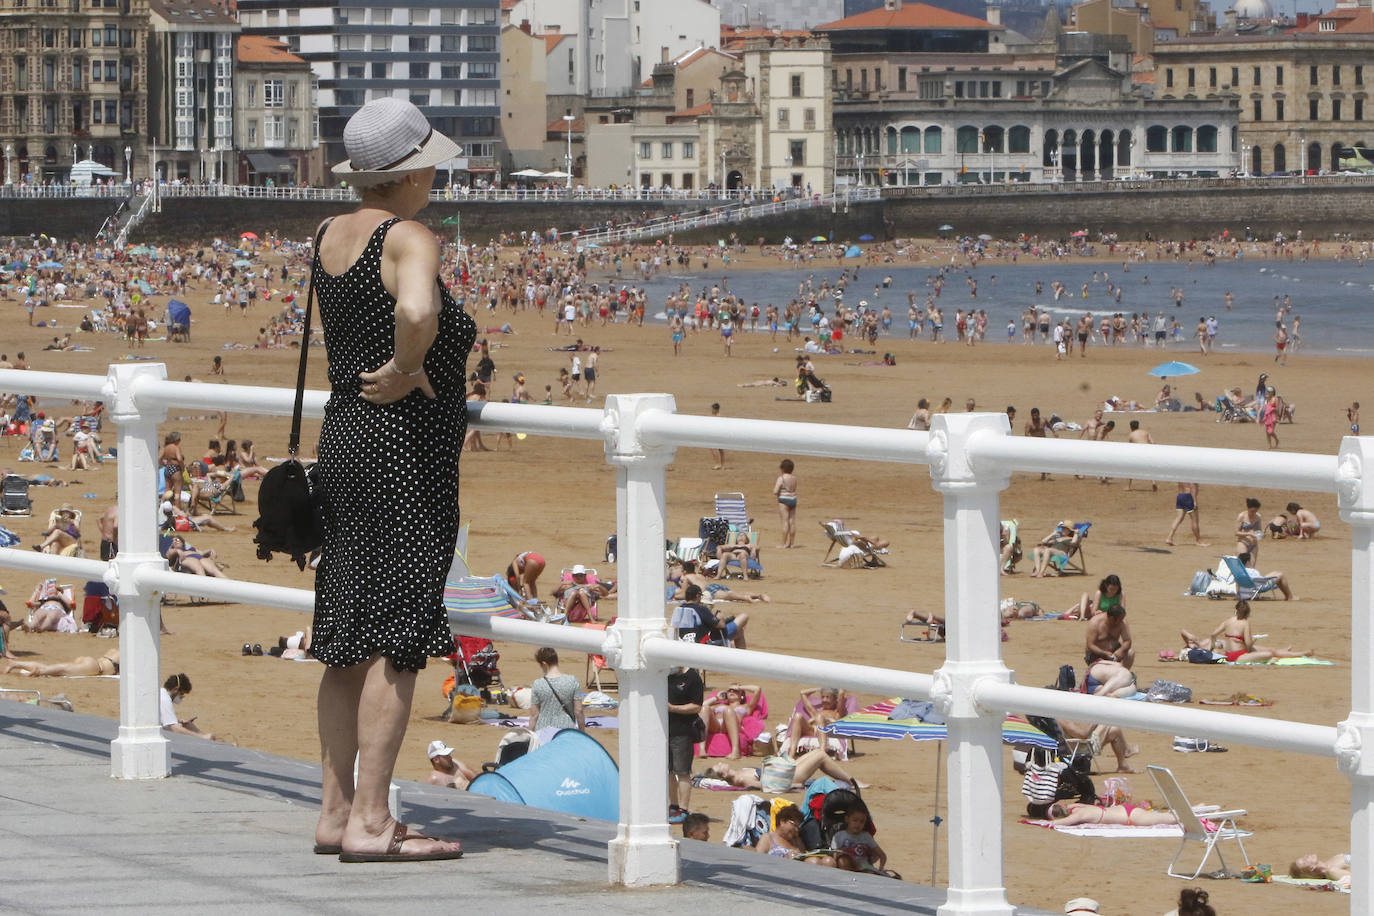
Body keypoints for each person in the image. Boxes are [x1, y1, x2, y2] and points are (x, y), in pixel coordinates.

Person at [311, 98, 474, 863]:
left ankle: (335, 813)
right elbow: (415, 309)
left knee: (345, 634)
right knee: (398, 636)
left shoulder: (329, 234)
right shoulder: (409, 236)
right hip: (403, 453)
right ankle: (373, 824)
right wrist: (409, 369)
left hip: (344, 439)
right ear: (412, 172)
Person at [1180, 599, 1310, 662]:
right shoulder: (1245, 623)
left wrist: (1213, 646)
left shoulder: (1228, 621)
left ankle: (1288, 652)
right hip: (1239, 655)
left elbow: (1213, 634)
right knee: (1270, 653)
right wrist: (1254, 640)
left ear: (1236, 610)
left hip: (1228, 654)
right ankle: (1299, 654)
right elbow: (1248, 646)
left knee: (1269, 650)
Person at [704, 748, 866, 791]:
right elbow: (765, 786)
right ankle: (852, 781)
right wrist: (793, 786)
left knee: (817, 752)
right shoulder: (741, 779)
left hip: (784, 770)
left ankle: (849, 780)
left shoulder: (739, 772)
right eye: (719, 766)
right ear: (723, 774)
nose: (720, 762)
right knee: (821, 756)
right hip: (789, 777)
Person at [667, 665, 705, 825]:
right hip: (665, 730)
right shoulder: (666, 675)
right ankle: (673, 805)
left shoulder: (692, 678)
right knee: (668, 771)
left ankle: (683, 809)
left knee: (682, 771)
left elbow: (696, 706)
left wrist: (673, 708)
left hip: (683, 731)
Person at [754, 804, 836, 866]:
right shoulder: (768, 838)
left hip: (798, 871)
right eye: (794, 825)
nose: (796, 829)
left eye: (798, 826)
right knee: (813, 862)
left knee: (828, 861)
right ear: (782, 821)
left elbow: (804, 856)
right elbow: (757, 859)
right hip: (778, 870)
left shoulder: (796, 840)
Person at [1084, 602, 1135, 697]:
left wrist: (1121, 650)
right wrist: (1103, 653)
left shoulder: (1122, 623)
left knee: (1130, 653)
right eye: (1119, 620)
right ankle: (1113, 680)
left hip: (1114, 654)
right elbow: (1090, 645)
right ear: (1111, 618)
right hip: (1097, 656)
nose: (1121, 622)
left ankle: (1117, 681)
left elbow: (1127, 641)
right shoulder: (1095, 622)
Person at [527, 647, 583, 731]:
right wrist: (582, 732)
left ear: (544, 664)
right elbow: (579, 710)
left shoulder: (537, 684)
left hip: (543, 730)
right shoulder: (572, 681)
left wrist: (530, 734)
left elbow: (534, 715)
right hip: (566, 730)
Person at [700, 683, 762, 759]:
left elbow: (757, 689)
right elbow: (701, 706)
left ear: (741, 695)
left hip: (733, 726)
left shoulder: (746, 707)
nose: (732, 691)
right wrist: (716, 698)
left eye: (735, 690)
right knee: (705, 708)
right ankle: (702, 749)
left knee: (728, 711)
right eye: (729, 690)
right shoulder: (719, 705)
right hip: (716, 726)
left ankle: (735, 751)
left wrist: (739, 687)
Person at [782, 686, 848, 758]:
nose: (824, 700)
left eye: (828, 697)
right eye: (822, 697)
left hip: (828, 731)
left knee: (819, 717)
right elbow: (803, 693)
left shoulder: (837, 713)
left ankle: (822, 751)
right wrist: (820, 689)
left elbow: (841, 693)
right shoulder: (815, 712)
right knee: (798, 716)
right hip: (812, 730)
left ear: (835, 699)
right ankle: (791, 753)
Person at [1058, 718, 1139, 773]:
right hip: (1080, 751)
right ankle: (1127, 750)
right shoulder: (1061, 718)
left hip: (1079, 746)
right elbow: (1082, 734)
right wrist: (1095, 720)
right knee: (1107, 718)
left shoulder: (1059, 715)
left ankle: (1123, 765)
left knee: (1115, 730)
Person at [832, 805, 893, 875]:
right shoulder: (839, 836)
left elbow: (882, 855)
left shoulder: (866, 836)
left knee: (870, 873)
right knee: (843, 860)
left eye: (862, 822)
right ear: (847, 819)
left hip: (863, 867)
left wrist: (881, 868)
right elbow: (835, 855)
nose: (858, 824)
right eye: (855, 820)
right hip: (846, 866)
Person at [160, 673, 216, 741]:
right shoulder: (165, 700)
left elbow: (166, 721)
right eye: (181, 694)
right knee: (184, 727)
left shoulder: (162, 693)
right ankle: (205, 739)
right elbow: (175, 729)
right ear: (175, 689)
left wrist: (179, 722)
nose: (181, 697)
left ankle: (206, 739)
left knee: (186, 724)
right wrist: (201, 737)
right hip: (158, 736)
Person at [1045, 800, 1178, 827]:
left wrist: (1047, 822)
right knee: (1167, 817)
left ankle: (1190, 814)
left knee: (1173, 819)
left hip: (1130, 817)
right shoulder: (1078, 808)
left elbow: (1060, 822)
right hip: (1125, 810)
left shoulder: (1079, 815)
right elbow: (1068, 808)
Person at [8, 646, 119, 677]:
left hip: (91, 662)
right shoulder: (125, 654)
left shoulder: (115, 650)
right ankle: (39, 672)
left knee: (55, 668)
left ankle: (17, 664)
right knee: (61, 669)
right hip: (95, 668)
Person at [1165, 482, 1208, 547]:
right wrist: (1194, 501)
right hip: (1189, 497)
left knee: (1179, 518)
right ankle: (1199, 541)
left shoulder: (1182, 476)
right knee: (1194, 520)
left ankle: (1169, 538)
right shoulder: (1192, 476)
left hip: (1180, 496)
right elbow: (1192, 487)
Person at [773, 458, 798, 548]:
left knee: (785, 521)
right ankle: (792, 543)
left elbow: (775, 491)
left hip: (784, 501)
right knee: (792, 521)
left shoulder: (781, 478)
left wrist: (778, 493)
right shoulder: (794, 478)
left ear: (782, 468)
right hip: (793, 499)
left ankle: (783, 543)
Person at [1235, 497, 1264, 562]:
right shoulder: (1242, 516)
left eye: (1256, 511)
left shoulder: (1258, 517)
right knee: (1241, 564)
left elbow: (1259, 530)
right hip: (1243, 542)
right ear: (1248, 508)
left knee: (1252, 566)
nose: (1254, 513)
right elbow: (1236, 532)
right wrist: (1248, 534)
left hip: (1254, 544)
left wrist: (1261, 534)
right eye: (1252, 511)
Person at [709, 402, 726, 470]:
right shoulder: (718, 416)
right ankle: (722, 465)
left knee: (712, 448)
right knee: (721, 450)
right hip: (720, 434)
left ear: (716, 409)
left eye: (712, 409)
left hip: (717, 434)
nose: (711, 410)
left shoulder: (717, 417)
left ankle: (717, 464)